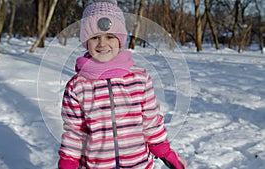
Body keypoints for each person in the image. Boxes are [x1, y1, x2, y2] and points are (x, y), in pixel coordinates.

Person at [58, 0, 187, 168]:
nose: (102, 44)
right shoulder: (77, 87)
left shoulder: (139, 79)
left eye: (110, 36)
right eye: (95, 37)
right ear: (86, 41)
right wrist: (68, 161)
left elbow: (151, 121)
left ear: (120, 40)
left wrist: (164, 150)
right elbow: (74, 132)